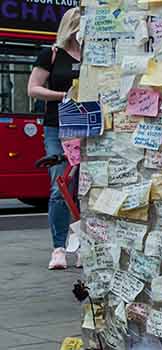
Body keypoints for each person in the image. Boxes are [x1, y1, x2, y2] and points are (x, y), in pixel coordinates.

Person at [27, 7, 83, 270]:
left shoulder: (94, 55)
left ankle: (84, 246)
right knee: (60, 185)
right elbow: (33, 88)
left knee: (86, 189)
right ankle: (59, 248)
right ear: (73, 26)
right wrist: (63, 96)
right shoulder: (50, 54)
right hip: (57, 127)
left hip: (88, 128)